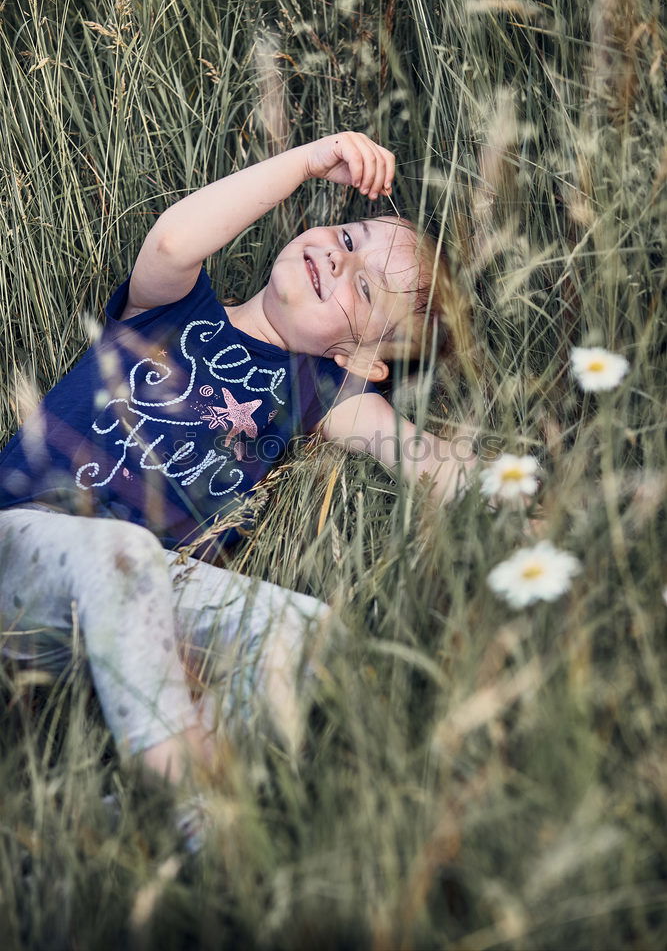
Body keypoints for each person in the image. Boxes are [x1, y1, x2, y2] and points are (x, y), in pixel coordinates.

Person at [0, 131, 477, 807]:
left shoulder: (324, 393)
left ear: (364, 361)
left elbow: (420, 458)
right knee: (121, 551)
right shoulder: (175, 310)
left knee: (309, 634)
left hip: (120, 619)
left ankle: (154, 819)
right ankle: (182, 786)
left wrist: (520, 495)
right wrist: (308, 160)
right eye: (347, 237)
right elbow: (172, 241)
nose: (337, 262)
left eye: (363, 288)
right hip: (22, 544)